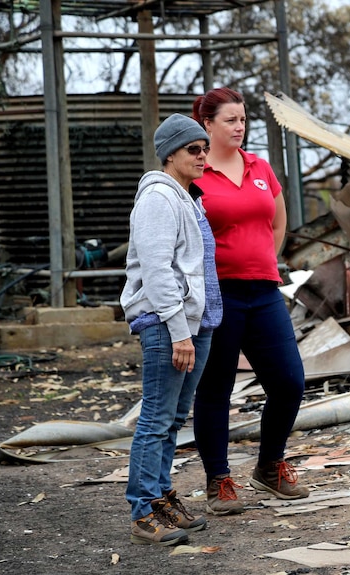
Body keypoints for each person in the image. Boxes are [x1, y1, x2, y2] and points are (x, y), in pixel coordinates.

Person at [191, 87, 309, 516]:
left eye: (243, 119)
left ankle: (269, 465)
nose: (239, 127)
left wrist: (264, 257)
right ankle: (218, 480)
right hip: (217, 295)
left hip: (263, 291)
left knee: (289, 382)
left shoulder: (260, 166)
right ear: (207, 124)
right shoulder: (194, 174)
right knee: (215, 389)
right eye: (230, 120)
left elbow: (277, 220)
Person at [120, 113, 223, 545]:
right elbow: (159, 272)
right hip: (167, 324)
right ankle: (144, 512)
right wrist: (180, 331)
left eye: (204, 148)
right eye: (192, 150)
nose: (202, 155)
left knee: (175, 417)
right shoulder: (158, 199)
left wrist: (195, 325)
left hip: (192, 322)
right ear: (170, 155)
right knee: (157, 419)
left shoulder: (186, 196)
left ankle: (162, 498)